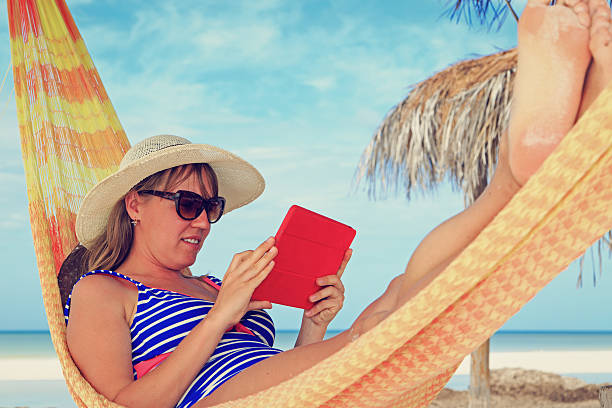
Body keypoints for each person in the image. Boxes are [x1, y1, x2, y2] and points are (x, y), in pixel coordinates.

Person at [64, 1, 612, 407]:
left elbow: (272, 373)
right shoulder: (102, 291)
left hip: (284, 392)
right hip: (219, 400)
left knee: (399, 299)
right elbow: (123, 404)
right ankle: (515, 182)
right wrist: (223, 314)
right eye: (188, 204)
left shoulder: (213, 286)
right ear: (135, 203)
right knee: (383, 328)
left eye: (213, 206)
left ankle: (535, 167)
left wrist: (312, 328)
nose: (205, 221)